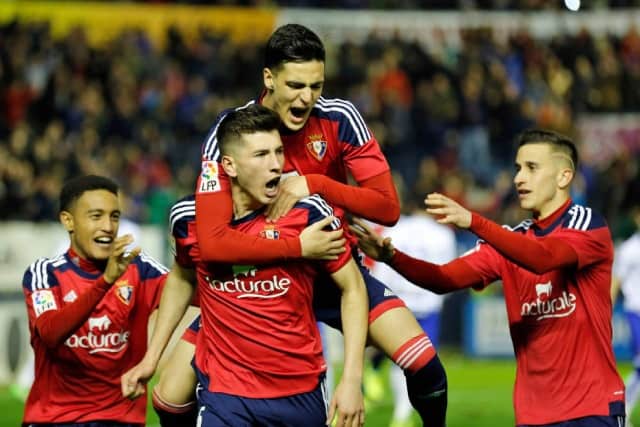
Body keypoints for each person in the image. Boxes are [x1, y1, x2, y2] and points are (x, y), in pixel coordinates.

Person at [151, 23, 447, 427]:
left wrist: (316, 184)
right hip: (259, 283)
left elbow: (387, 207)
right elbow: (215, 234)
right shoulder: (233, 133)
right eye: (295, 85)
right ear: (268, 78)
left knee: (426, 365)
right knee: (168, 399)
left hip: (330, 268)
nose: (307, 97)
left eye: (316, 85)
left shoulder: (339, 118)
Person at [352, 128, 626, 427]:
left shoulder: (587, 226)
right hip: (533, 415)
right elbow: (443, 279)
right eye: (518, 168)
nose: (519, 178)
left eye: (532, 168)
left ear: (563, 177)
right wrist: (392, 257)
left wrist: (474, 221)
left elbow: (543, 259)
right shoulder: (509, 240)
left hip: (592, 409)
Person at [123, 105, 368, 427]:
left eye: (279, 152)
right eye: (261, 155)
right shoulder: (188, 219)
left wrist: (351, 379)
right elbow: (182, 279)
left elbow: (353, 288)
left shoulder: (307, 214)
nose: (276, 165)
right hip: (225, 395)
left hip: (299, 391)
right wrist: (151, 358)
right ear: (230, 165)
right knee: (168, 400)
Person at [21, 174, 168, 426]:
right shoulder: (45, 274)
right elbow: (50, 333)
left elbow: (203, 296)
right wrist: (105, 282)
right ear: (68, 221)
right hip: (55, 419)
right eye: (96, 216)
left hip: (120, 419)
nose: (109, 227)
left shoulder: (140, 269)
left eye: (114, 216)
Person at [366, 192, 457, 427]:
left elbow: (381, 271)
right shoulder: (443, 234)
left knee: (400, 360)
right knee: (419, 363)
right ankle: (402, 414)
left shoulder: (395, 231)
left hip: (398, 303)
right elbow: (449, 270)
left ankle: (376, 377)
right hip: (428, 304)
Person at [612, 205, 640, 426]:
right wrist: (606, 311)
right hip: (636, 313)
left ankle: (622, 409)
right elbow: (616, 282)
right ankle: (622, 409)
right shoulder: (629, 249)